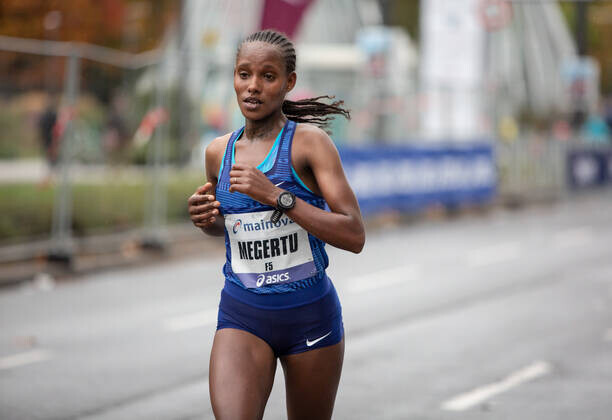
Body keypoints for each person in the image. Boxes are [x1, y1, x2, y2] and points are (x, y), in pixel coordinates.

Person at [187, 29, 365, 420]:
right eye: (244, 74)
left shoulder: (309, 144)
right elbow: (231, 226)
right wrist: (208, 220)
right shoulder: (218, 153)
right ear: (234, 78)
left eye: (267, 76)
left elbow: (354, 234)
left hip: (310, 318)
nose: (253, 86)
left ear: (289, 82)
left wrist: (277, 196)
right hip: (242, 314)